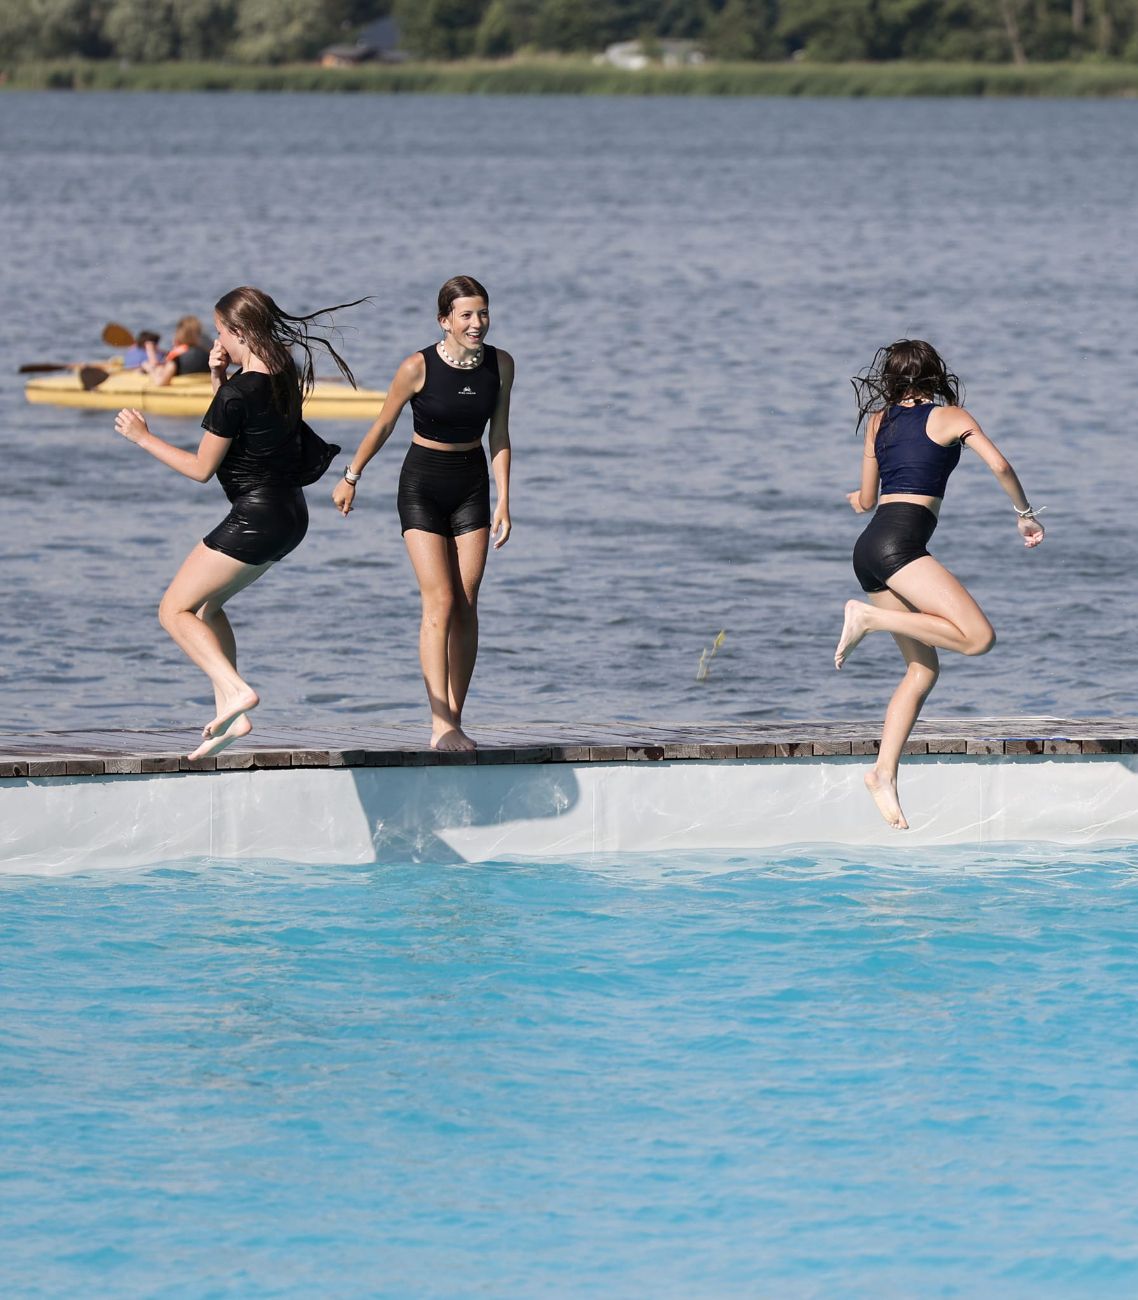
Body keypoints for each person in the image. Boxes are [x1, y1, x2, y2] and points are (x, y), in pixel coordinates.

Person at [114, 286, 359, 760]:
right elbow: (236, 421)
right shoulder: (281, 374)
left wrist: (143, 438)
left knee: (173, 612)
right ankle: (232, 712)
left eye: (223, 330)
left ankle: (235, 689)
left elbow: (202, 468)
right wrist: (217, 375)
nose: (218, 338)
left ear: (241, 331)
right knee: (207, 609)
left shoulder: (238, 392)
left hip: (256, 516)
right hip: (290, 515)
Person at [834, 339, 1044, 830]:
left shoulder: (878, 423)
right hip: (900, 547)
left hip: (869, 551)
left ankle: (883, 774)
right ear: (935, 374)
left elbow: (867, 499)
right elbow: (1001, 465)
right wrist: (1025, 515)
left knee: (922, 670)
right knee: (978, 638)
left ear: (889, 379)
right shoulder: (951, 416)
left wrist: (857, 499)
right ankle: (867, 618)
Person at [332, 275, 513, 751]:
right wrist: (351, 476)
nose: (477, 323)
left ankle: (454, 718)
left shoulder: (502, 364)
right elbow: (385, 421)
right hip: (421, 486)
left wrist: (505, 500)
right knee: (440, 602)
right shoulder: (417, 366)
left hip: (471, 485)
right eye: (467, 315)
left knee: (467, 603)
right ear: (445, 321)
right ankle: (438, 723)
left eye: (483, 313)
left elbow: (500, 434)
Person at [146, 315, 211, 386]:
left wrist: (150, 370)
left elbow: (161, 383)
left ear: (179, 333)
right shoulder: (207, 355)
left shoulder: (177, 356)